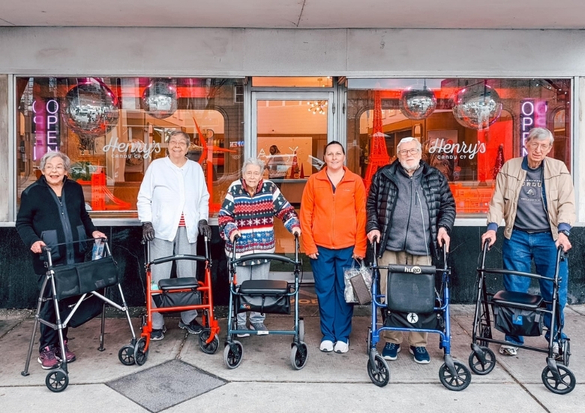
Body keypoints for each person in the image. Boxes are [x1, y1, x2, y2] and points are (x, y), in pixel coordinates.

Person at [481, 127, 575, 357]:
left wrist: (564, 231)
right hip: (518, 237)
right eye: (535, 144)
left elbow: (567, 203)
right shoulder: (510, 167)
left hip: (550, 238)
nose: (538, 150)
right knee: (515, 289)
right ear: (527, 143)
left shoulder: (558, 169)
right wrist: (492, 229)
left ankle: (554, 336)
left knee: (554, 290)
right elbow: (497, 202)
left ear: (549, 149)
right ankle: (514, 338)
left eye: (544, 146)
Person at [366, 137, 455, 364]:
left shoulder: (435, 177)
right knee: (389, 295)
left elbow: (448, 205)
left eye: (412, 150)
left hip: (423, 246)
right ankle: (392, 339)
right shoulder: (384, 175)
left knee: (420, 297)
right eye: (404, 151)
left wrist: (444, 227)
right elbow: (372, 206)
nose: (408, 154)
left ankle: (419, 344)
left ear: (420, 152)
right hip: (390, 245)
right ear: (397, 154)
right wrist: (373, 227)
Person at [16, 152, 107, 370]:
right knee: (50, 303)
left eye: (59, 167)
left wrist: (92, 231)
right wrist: (34, 241)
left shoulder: (75, 189)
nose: (54, 171)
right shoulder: (32, 193)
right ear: (42, 169)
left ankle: (61, 343)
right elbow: (22, 223)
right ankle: (46, 347)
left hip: (74, 254)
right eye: (50, 167)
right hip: (49, 257)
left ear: (66, 170)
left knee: (66, 302)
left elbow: (83, 216)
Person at [137, 130, 212, 341]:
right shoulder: (157, 167)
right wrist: (147, 222)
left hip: (188, 229)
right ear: (167, 145)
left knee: (187, 275)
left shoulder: (195, 169)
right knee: (158, 277)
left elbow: (203, 198)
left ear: (188, 148)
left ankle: (188, 318)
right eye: (173, 142)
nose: (177, 146)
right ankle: (157, 322)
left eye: (181, 143)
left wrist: (202, 219)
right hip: (161, 230)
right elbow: (144, 197)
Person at [218, 157, 301, 336]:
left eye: (256, 173)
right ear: (243, 174)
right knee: (240, 288)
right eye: (249, 173)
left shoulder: (270, 188)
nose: (252, 176)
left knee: (260, 288)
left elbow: (285, 210)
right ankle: (240, 323)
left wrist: (293, 225)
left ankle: (256, 321)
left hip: (263, 249)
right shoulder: (235, 189)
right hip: (240, 251)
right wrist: (232, 230)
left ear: (261, 174)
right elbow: (224, 216)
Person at [300, 141, 367, 354]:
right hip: (321, 247)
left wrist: (360, 247)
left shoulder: (355, 181)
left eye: (338, 153)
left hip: (348, 247)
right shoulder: (314, 181)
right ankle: (328, 335)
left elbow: (362, 215)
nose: (334, 157)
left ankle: (343, 336)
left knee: (345, 291)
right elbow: (306, 214)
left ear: (344, 157)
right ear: (325, 158)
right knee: (325, 291)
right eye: (330, 154)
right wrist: (309, 244)